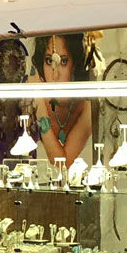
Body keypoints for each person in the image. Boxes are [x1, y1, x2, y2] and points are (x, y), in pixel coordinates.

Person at [30, 33, 93, 161]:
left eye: (63, 61)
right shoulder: (28, 101)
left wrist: (40, 109)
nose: (55, 74)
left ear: (74, 64)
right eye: (49, 61)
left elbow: (62, 164)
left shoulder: (86, 106)